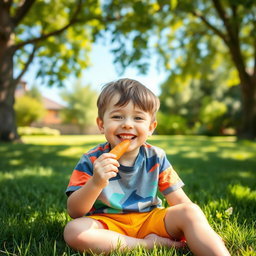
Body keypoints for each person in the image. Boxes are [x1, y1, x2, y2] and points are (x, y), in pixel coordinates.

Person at [64, 78, 230, 256]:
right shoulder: (91, 160)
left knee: (191, 211)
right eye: (117, 116)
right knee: (74, 231)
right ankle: (148, 245)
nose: (127, 124)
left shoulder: (156, 157)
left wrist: (203, 229)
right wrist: (96, 182)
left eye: (138, 117)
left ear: (151, 127)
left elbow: (180, 202)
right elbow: (75, 211)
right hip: (108, 224)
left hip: (150, 219)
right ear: (101, 124)